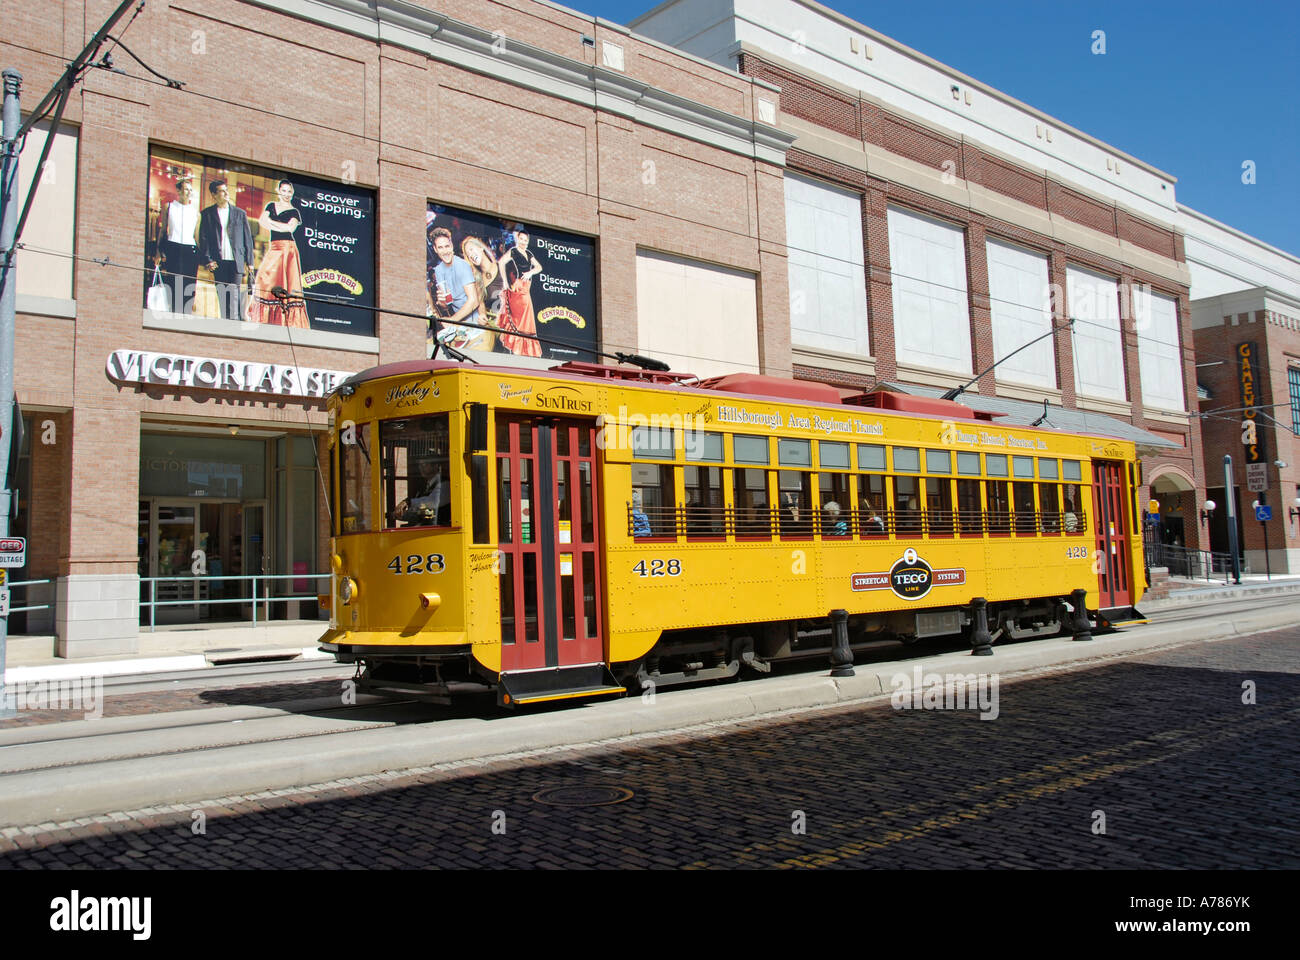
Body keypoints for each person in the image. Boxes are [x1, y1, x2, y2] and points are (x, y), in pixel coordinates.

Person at [247, 179, 309, 328]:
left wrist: (272, 223)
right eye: (284, 191)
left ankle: (286, 318)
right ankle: (265, 317)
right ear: (278, 191)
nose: (287, 194)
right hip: (274, 247)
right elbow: (262, 221)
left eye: (289, 191)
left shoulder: (294, 211)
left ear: (292, 193)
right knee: (264, 278)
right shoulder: (271, 206)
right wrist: (279, 225)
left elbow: (290, 229)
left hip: (288, 249)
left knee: (287, 283)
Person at [198, 179, 255, 320]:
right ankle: (226, 326)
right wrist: (208, 260)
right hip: (219, 262)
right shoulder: (207, 214)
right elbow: (203, 239)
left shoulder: (240, 214)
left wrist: (250, 262)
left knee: (234, 298)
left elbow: (247, 239)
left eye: (226, 190)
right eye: (221, 191)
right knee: (223, 298)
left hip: (236, 262)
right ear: (213, 195)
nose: (226, 193)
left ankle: (234, 327)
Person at [428, 227, 481, 353]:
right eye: (440, 248)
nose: (445, 251)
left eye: (447, 246)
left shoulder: (462, 266)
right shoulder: (438, 270)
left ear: (451, 246)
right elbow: (447, 304)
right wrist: (441, 303)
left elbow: (474, 301)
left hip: (473, 324)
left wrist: (451, 320)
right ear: (435, 249)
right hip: (458, 324)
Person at [154, 177, 199, 312]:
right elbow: (163, 230)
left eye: (190, 190)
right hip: (173, 247)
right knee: (173, 283)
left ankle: (186, 314)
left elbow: (196, 237)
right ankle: (173, 312)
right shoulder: (169, 207)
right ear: (178, 190)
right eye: (186, 189)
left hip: (190, 250)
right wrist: (157, 252)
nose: (188, 192)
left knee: (188, 285)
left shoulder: (196, 212)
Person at [499, 224, 544, 357]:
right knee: (523, 320)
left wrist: (530, 273)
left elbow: (539, 267)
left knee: (528, 319)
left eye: (525, 240)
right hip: (519, 288)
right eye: (521, 239)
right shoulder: (514, 251)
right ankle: (520, 348)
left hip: (526, 287)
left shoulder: (529, 253)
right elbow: (501, 262)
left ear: (528, 241)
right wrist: (505, 282)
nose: (523, 242)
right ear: (518, 239)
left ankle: (524, 350)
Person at [462, 236, 508, 351]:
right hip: (494, 324)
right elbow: (481, 303)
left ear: (481, 248)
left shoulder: (501, 266)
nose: (471, 254)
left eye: (472, 249)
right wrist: (482, 315)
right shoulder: (477, 280)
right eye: (468, 254)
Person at [397, 456, 447, 526]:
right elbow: (419, 508)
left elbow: (433, 501)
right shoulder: (424, 486)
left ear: (436, 466)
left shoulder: (445, 483)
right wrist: (401, 513)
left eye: (424, 465)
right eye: (420, 465)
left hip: (440, 530)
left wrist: (408, 502)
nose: (421, 468)